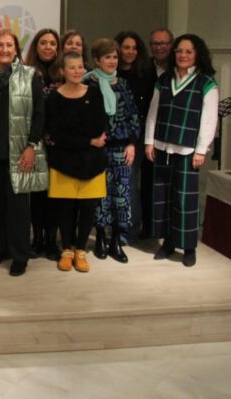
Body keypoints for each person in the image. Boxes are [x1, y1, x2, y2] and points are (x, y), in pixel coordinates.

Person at [0, 29, 47, 277]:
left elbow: (39, 113)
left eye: (9, 45)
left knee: (18, 208)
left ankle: (20, 255)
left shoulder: (29, 76)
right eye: (0, 45)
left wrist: (31, 145)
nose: (5, 50)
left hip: (19, 152)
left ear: (16, 49)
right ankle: (0, 249)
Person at [145, 34, 218, 267]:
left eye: (188, 51)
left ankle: (188, 247)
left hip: (188, 150)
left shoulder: (205, 83)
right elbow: (153, 112)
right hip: (163, 146)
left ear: (197, 54)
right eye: (179, 51)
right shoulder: (165, 79)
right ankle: (167, 242)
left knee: (185, 199)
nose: (183, 55)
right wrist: (149, 141)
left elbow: (209, 120)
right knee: (163, 196)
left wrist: (201, 150)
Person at [45, 51, 108, 273]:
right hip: (64, 161)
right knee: (65, 208)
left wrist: (85, 138)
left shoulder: (95, 92)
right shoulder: (53, 97)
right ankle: (67, 250)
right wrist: (89, 140)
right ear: (62, 71)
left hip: (92, 163)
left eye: (80, 67)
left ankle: (81, 250)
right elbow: (57, 134)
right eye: (72, 67)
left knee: (88, 207)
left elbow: (99, 126)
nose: (77, 71)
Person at [84, 38, 140, 263]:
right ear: (97, 60)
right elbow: (83, 118)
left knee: (122, 196)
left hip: (121, 149)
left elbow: (133, 114)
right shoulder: (90, 83)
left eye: (114, 56)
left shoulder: (123, 84)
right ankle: (100, 238)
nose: (112, 60)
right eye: (107, 57)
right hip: (98, 150)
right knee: (100, 196)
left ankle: (116, 239)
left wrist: (131, 143)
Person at [25, 28, 62, 260]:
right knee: (37, 195)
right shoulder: (28, 74)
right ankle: (36, 238)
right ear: (36, 47)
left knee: (55, 195)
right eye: (43, 43)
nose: (48, 47)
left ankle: (52, 240)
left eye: (52, 43)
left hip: (59, 144)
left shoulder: (64, 74)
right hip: (35, 141)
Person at [115, 30, 156, 240]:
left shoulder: (146, 72)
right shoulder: (110, 73)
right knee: (116, 182)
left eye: (134, 48)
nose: (130, 51)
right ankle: (115, 226)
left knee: (129, 181)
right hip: (113, 134)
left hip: (137, 134)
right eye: (126, 47)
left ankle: (130, 229)